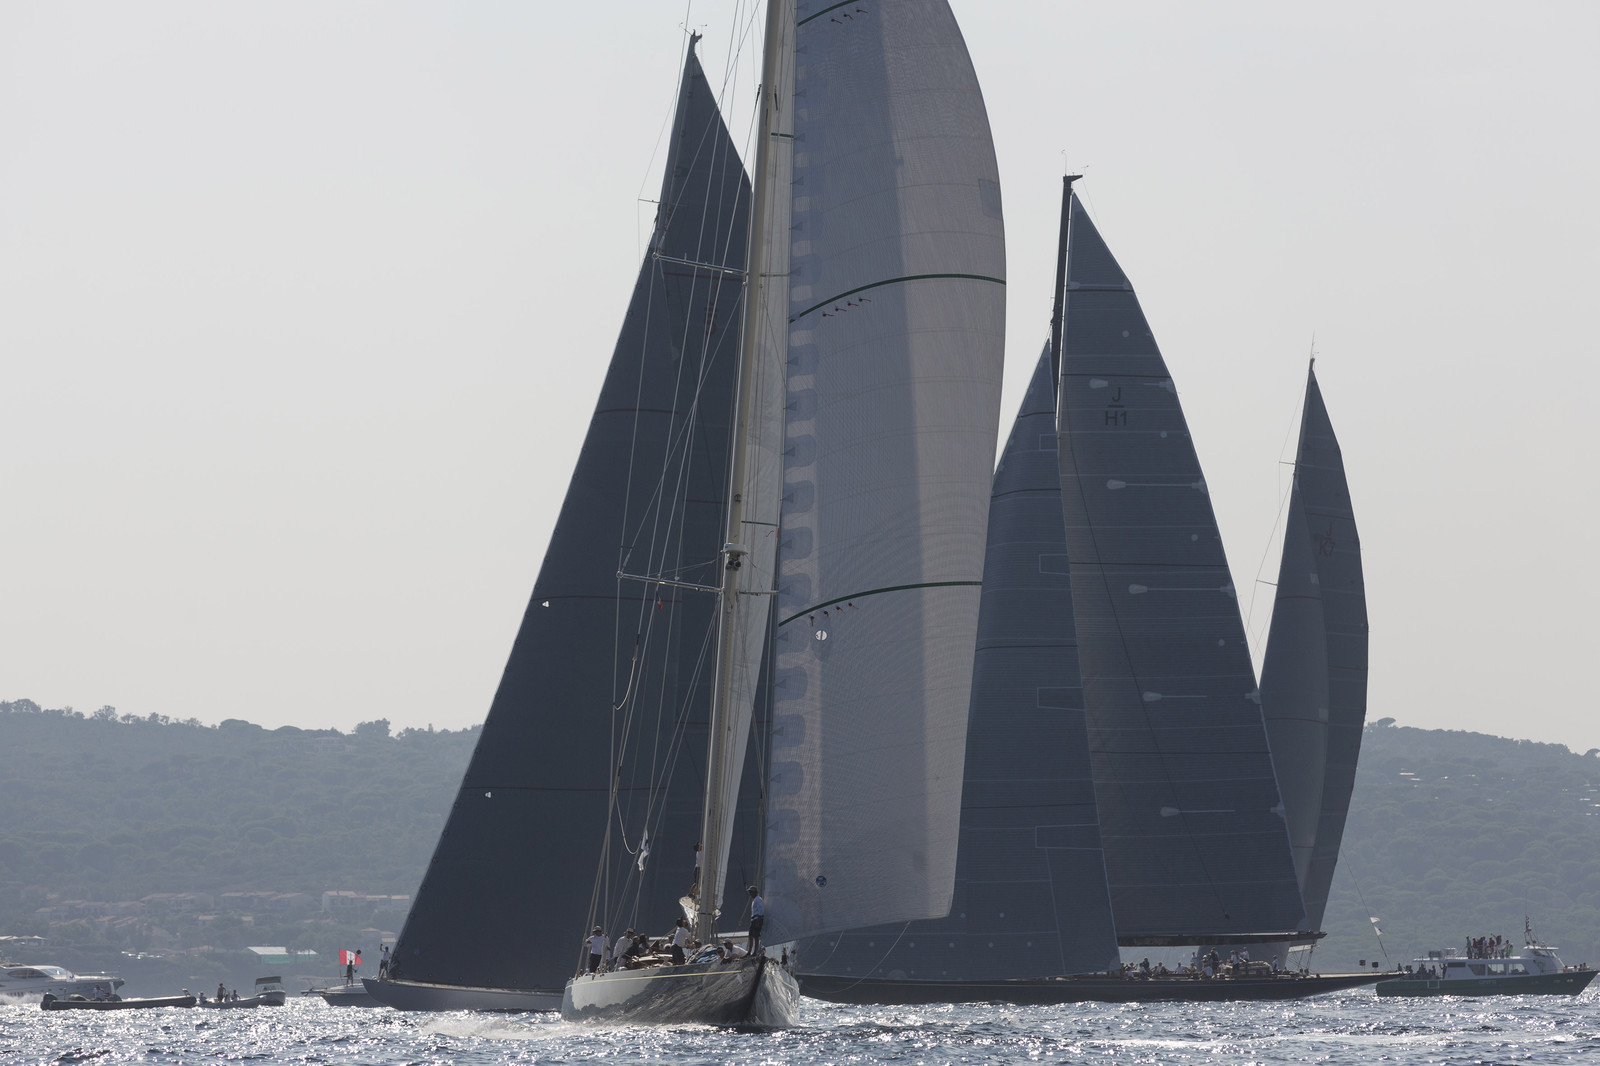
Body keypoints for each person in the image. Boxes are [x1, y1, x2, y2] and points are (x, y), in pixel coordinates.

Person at [746, 885, 765, 957]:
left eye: (751, 892)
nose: (750, 894)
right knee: (750, 935)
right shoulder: (755, 900)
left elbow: (761, 910)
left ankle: (755, 952)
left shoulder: (758, 899)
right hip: (754, 919)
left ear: (755, 892)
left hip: (757, 920)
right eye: (750, 892)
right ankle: (749, 952)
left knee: (756, 937)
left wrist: (759, 919)